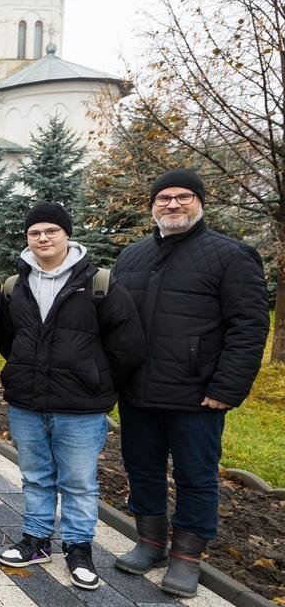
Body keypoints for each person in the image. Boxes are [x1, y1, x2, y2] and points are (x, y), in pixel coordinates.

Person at [111, 169, 268, 598]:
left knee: (195, 476)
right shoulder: (133, 257)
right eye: (164, 198)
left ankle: (187, 557)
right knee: (141, 468)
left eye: (183, 197)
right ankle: (150, 542)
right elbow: (117, 322)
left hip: (197, 394)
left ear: (199, 202)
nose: (173, 205)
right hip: (139, 390)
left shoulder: (231, 256)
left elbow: (249, 327)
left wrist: (227, 388)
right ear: (152, 205)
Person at [0, 202, 144, 590]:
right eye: (35, 232)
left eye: (51, 231)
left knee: (79, 482)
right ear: (27, 238)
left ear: (66, 235)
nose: (43, 238)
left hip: (80, 407)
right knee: (36, 477)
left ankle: (79, 549)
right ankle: (36, 540)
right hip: (28, 402)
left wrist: (95, 382)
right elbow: (10, 341)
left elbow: (126, 346)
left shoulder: (100, 284)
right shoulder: (15, 285)